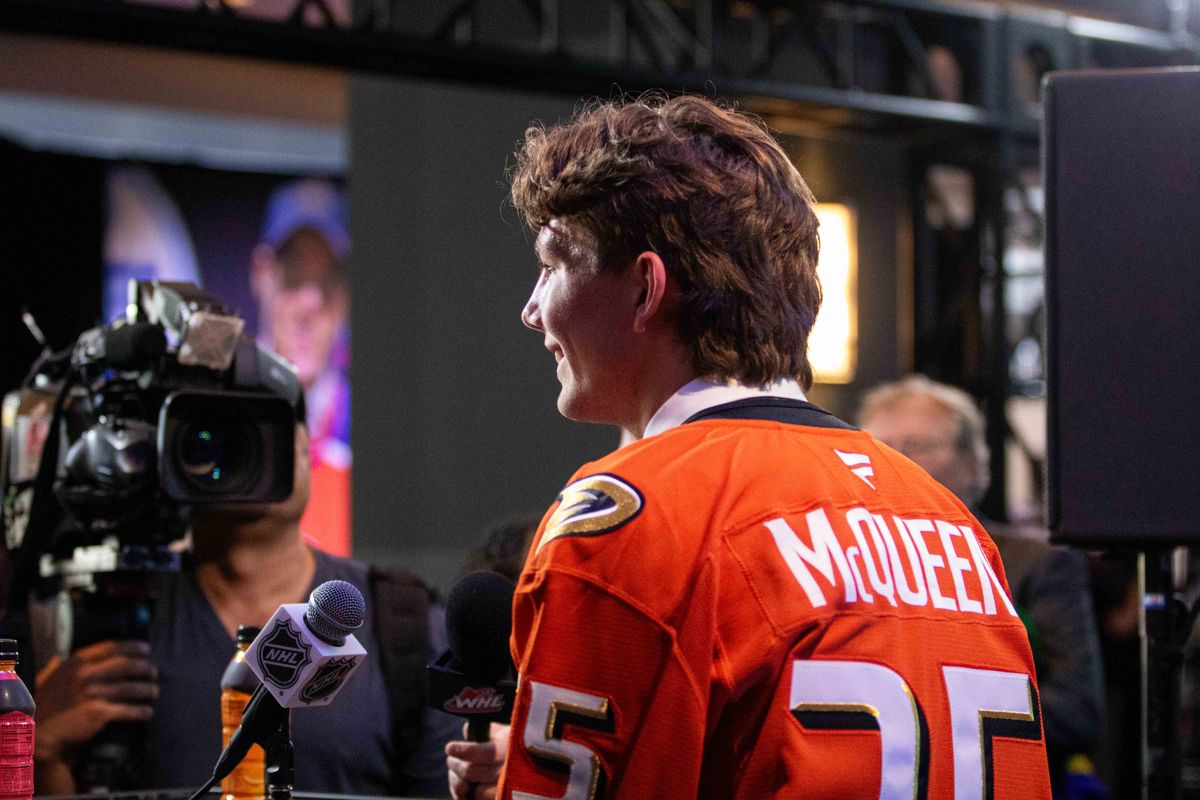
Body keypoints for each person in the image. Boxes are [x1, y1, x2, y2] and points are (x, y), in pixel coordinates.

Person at [446, 94, 1051, 798]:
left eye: (553, 263)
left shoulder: (629, 517)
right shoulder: (948, 522)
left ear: (645, 288)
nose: (531, 309)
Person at [33, 418, 460, 797]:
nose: (244, 448)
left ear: (303, 444)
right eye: (210, 434)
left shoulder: (405, 623)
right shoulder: (102, 614)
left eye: (266, 421)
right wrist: (36, 744)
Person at [857, 374, 1106, 793]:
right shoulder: (850, 561)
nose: (896, 460)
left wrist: (930, 712)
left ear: (973, 464)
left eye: (917, 445)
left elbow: (1078, 709)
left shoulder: (1037, 563)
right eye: (881, 447)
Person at [251, 179, 352, 556]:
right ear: (261, 274)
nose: (310, 303)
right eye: (293, 276)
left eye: (326, 282)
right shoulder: (219, 413)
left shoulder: (370, 427)